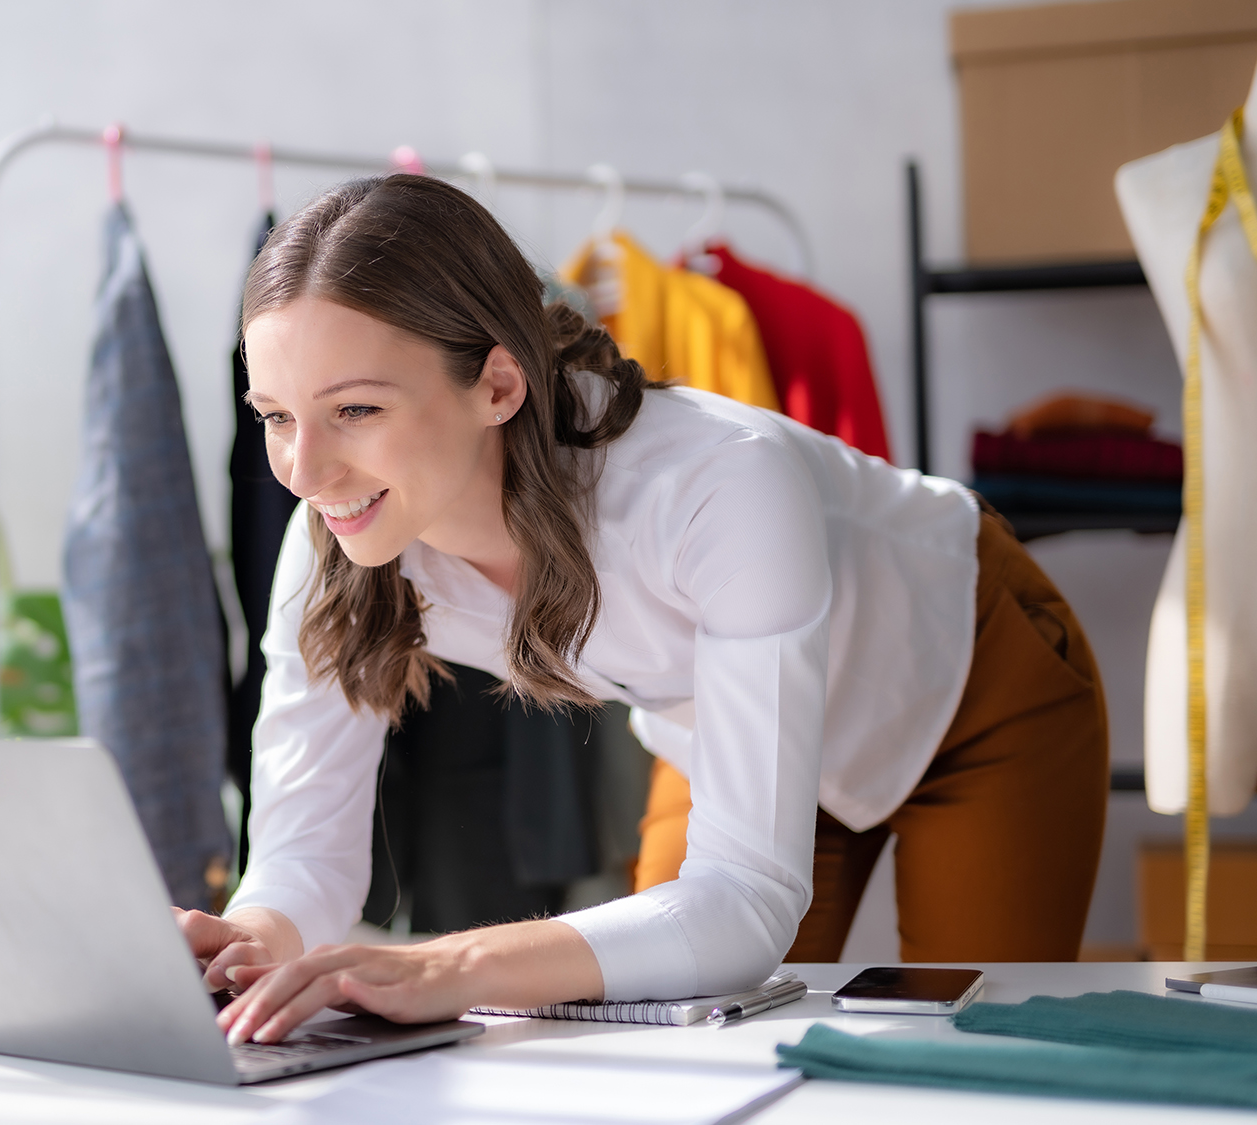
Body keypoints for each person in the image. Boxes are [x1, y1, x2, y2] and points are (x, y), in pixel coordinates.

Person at [177, 174, 1107, 1047]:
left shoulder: (719, 482)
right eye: (275, 415)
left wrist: (451, 960)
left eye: (355, 410)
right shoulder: (340, 534)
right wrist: (246, 944)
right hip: (727, 727)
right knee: (675, 1043)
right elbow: (303, 855)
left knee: (969, 1048)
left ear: (498, 385)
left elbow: (742, 898)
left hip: (970, 692)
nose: (303, 471)